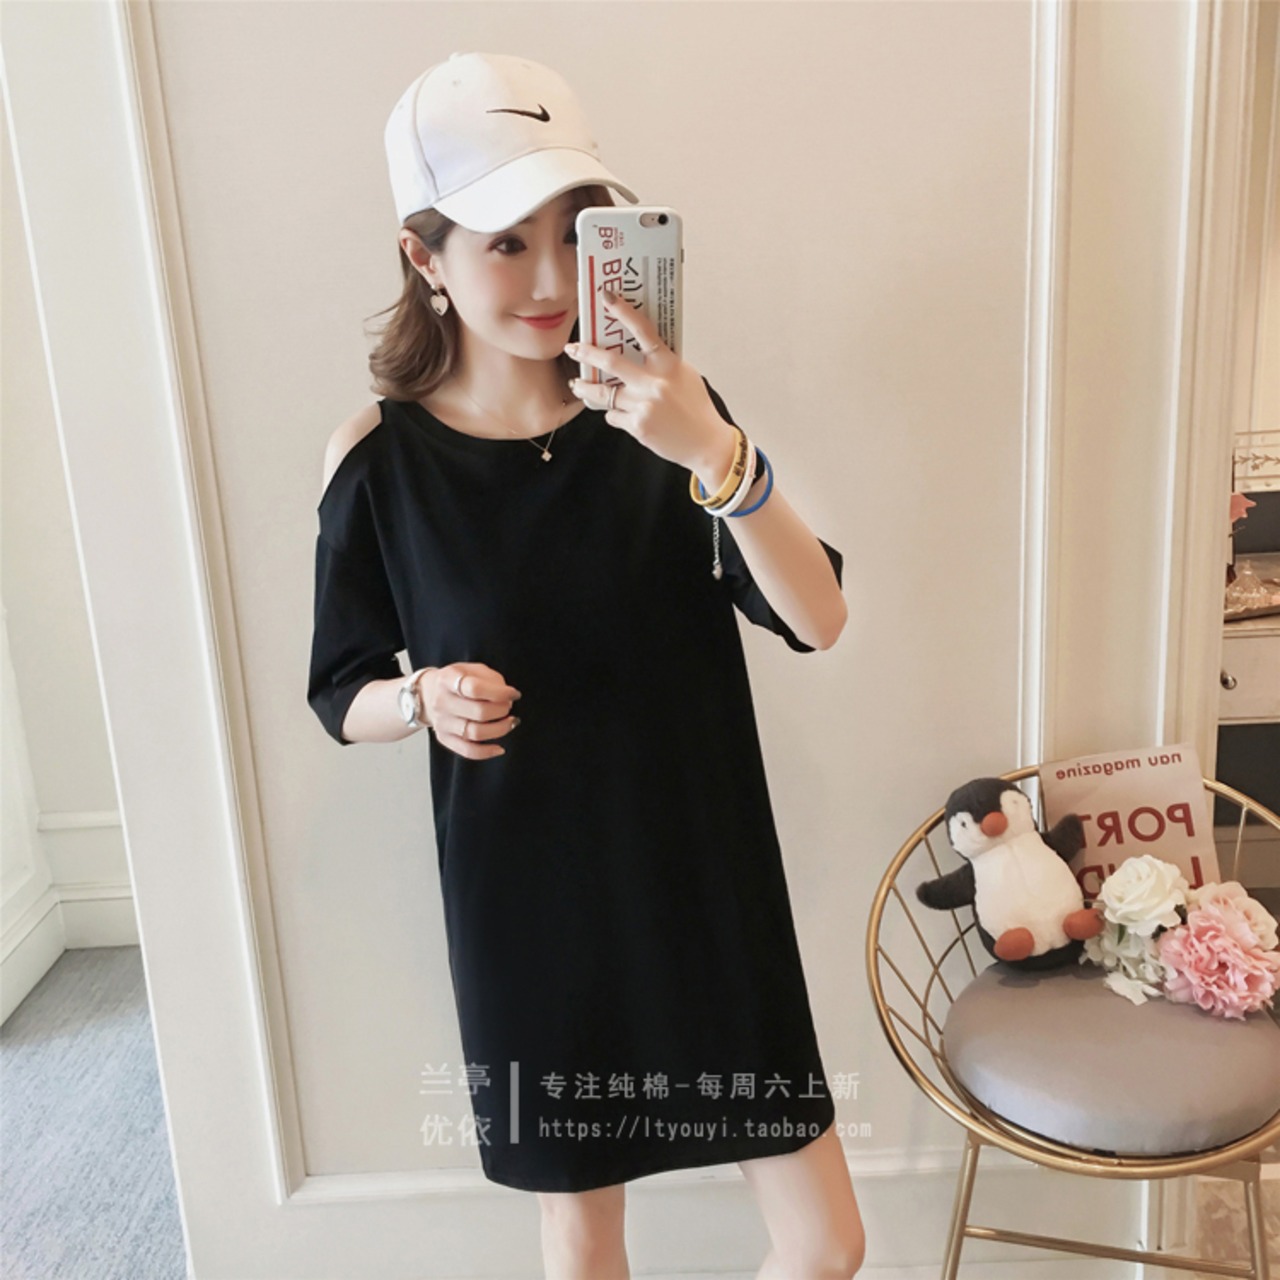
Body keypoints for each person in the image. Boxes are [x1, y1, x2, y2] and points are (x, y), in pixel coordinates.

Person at [307, 51, 864, 1280]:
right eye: (506, 242)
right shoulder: (379, 462)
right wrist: (421, 698)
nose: (553, 279)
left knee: (824, 1241)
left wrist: (712, 450)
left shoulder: (665, 413)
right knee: (580, 1236)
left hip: (704, 878)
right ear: (422, 256)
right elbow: (338, 686)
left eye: (575, 231)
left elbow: (817, 618)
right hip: (527, 903)